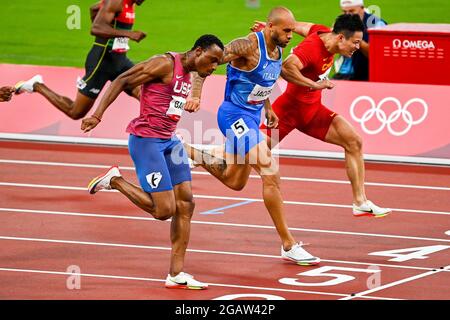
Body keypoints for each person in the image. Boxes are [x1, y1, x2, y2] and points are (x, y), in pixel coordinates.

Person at [80, 34, 224, 289]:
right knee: (163, 211)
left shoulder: (189, 73)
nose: (213, 68)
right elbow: (123, 79)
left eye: (217, 65)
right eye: (212, 61)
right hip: (146, 141)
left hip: (169, 141)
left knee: (186, 204)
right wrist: (97, 115)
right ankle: (115, 180)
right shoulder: (165, 63)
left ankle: (176, 273)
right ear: (198, 51)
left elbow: (167, 96)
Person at [184, 7, 321, 266]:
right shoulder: (246, 46)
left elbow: (262, 81)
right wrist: (196, 95)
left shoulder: (277, 48)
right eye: (287, 30)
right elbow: (201, 64)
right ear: (270, 27)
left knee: (234, 181)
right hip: (233, 116)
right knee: (270, 170)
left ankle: (187, 150)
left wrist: (268, 108)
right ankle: (288, 244)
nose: (291, 35)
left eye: (292, 30)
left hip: (252, 118)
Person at [253, 14, 391, 217]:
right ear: (340, 38)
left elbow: (301, 25)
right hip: (288, 113)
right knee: (242, 157)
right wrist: (315, 85)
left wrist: (269, 28)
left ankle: (360, 202)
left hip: (313, 112)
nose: (357, 47)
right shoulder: (311, 49)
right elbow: (286, 68)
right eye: (354, 42)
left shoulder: (322, 30)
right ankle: (199, 156)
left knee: (354, 142)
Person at [14, 0, 147, 120]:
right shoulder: (116, 1)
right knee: (76, 112)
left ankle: (155, 135)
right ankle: (37, 85)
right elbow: (96, 28)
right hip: (102, 61)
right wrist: (129, 34)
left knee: (145, 94)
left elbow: (94, 8)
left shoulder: (129, 4)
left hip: (120, 60)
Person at [333, 0, 387, 80]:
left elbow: (378, 56)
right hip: (344, 74)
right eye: (344, 12)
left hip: (367, 76)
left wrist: (355, 39)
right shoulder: (341, 22)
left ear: (362, 8)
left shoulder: (377, 24)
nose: (347, 15)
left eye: (351, 11)